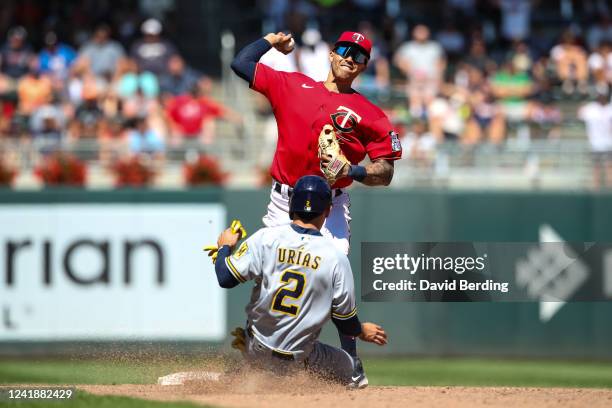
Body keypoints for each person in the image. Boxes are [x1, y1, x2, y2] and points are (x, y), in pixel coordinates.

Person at [231, 29, 401, 385]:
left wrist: (353, 170)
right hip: (285, 199)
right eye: (344, 49)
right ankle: (256, 354)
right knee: (268, 276)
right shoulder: (292, 85)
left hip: (331, 206)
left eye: (359, 55)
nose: (350, 58)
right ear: (331, 53)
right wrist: (270, 42)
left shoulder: (370, 114)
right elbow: (241, 63)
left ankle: (350, 362)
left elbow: (385, 171)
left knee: (334, 277)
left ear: (365, 66)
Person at [212, 175, 387, 388]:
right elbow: (345, 322)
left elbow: (225, 277)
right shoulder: (335, 258)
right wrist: (361, 330)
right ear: (328, 211)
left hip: (254, 348)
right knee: (352, 372)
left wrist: (224, 247)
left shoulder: (266, 238)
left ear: (290, 207)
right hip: (297, 361)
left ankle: (250, 371)